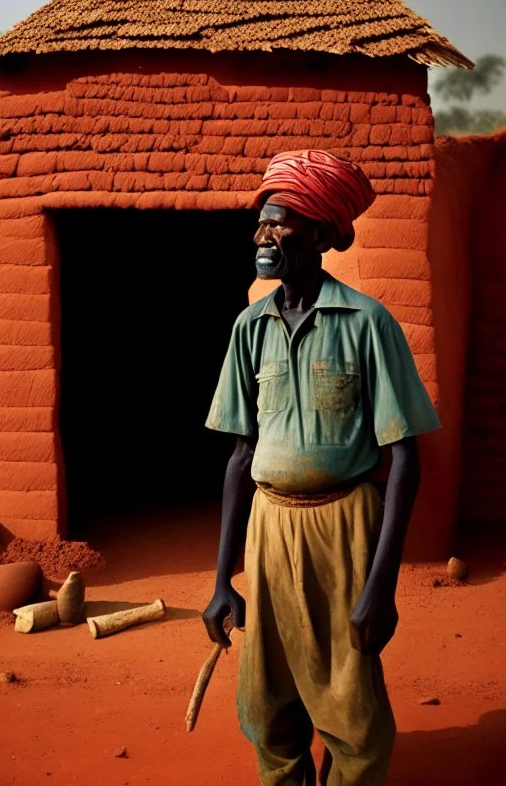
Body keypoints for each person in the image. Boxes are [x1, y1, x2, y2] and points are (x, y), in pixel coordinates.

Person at [202, 149, 440, 786]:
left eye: (281, 223)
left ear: (322, 233)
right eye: (261, 222)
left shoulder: (368, 322)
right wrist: (224, 579)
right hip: (269, 529)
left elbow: (405, 458)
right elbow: (240, 457)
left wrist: (381, 585)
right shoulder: (249, 327)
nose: (264, 235)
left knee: (350, 702)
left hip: (346, 528)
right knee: (265, 699)